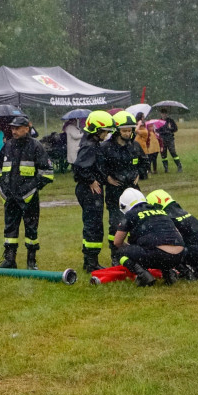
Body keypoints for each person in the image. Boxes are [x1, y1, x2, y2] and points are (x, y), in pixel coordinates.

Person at [0, 114, 54, 270]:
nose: (14, 131)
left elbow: (47, 173)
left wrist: (32, 189)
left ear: (26, 129)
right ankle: (9, 260)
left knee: (31, 229)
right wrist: (2, 186)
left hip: (29, 197)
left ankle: (31, 261)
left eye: (18, 128)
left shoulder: (36, 146)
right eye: (13, 128)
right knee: (9, 228)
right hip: (10, 196)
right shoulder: (7, 146)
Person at [113, 188, 185, 286]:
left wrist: (131, 248)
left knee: (120, 252)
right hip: (179, 255)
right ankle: (169, 273)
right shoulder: (159, 210)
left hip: (159, 255)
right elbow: (176, 234)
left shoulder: (131, 214)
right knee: (158, 246)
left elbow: (117, 242)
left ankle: (144, 275)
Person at [73, 110, 114, 273]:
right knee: (94, 225)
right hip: (89, 191)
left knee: (94, 224)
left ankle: (90, 260)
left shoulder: (90, 143)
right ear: (97, 130)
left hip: (89, 190)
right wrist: (91, 180)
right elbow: (79, 167)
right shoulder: (90, 146)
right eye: (105, 131)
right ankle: (91, 262)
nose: (107, 135)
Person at [145, 189, 198, 280]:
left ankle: (185, 272)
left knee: (166, 249)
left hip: (196, 252)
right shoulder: (182, 211)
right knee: (190, 242)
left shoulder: (166, 218)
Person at [102, 111, 142, 263]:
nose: (127, 133)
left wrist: (139, 173)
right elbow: (100, 166)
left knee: (137, 222)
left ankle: (135, 253)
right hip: (115, 192)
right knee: (116, 224)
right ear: (117, 130)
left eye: (130, 130)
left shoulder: (135, 146)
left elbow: (144, 162)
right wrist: (107, 178)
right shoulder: (106, 147)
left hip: (134, 191)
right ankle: (115, 255)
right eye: (124, 130)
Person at [156, 108, 182, 172]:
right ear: (161, 114)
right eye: (163, 113)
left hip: (170, 139)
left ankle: (179, 166)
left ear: (167, 114)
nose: (164, 115)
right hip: (162, 140)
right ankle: (166, 168)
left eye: (165, 113)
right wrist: (161, 132)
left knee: (173, 152)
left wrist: (170, 129)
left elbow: (175, 129)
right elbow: (157, 130)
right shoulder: (158, 122)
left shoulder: (170, 121)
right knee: (163, 154)